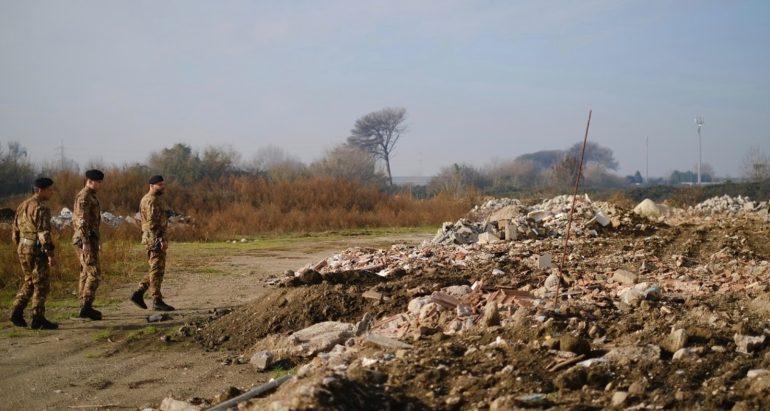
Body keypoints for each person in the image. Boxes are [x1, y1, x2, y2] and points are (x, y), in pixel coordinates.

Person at [9, 177, 58, 330]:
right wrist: (50, 254)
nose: (52, 192)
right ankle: (38, 318)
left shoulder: (22, 205)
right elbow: (43, 233)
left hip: (23, 248)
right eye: (50, 190)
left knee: (29, 280)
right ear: (40, 190)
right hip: (36, 251)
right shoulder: (41, 208)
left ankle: (16, 311)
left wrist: (20, 247)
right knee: (41, 284)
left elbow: (15, 231)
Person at [130, 175, 175, 311]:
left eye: (163, 184)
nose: (163, 187)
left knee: (157, 268)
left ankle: (139, 293)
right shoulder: (150, 201)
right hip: (154, 239)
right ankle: (156, 299)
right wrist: (160, 239)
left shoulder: (156, 200)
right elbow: (152, 223)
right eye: (160, 185)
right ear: (151, 185)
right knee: (156, 269)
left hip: (154, 238)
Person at [73, 169, 104, 320]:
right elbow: (81, 220)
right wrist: (85, 241)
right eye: (98, 182)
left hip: (90, 239)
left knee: (86, 273)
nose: (100, 185)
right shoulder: (84, 197)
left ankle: (84, 306)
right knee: (94, 273)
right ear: (90, 181)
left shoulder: (91, 196)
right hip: (86, 240)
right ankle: (86, 306)